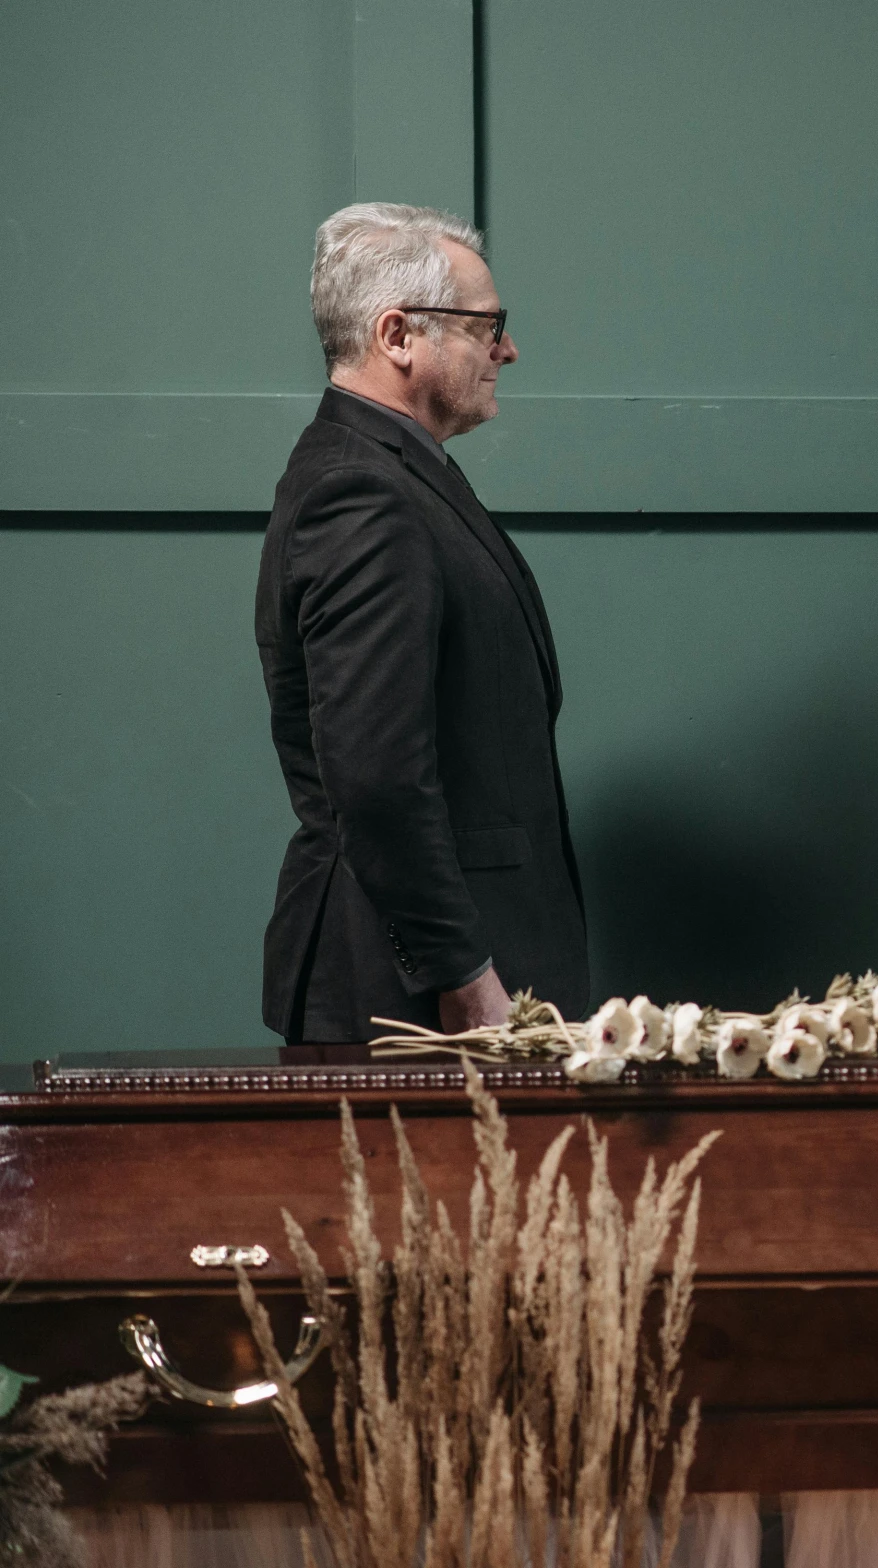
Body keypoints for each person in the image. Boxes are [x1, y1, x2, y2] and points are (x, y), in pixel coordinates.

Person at [255, 202, 589, 1044]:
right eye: (487, 327)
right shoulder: (360, 492)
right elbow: (374, 773)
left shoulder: (399, 473)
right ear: (398, 335)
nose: (507, 350)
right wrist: (462, 975)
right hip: (415, 997)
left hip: (447, 982)